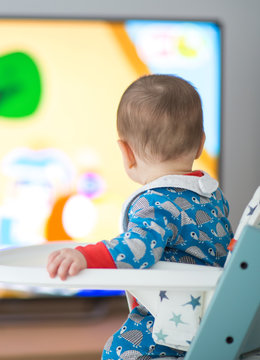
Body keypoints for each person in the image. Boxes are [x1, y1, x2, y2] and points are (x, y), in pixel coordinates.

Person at [46, 74, 233, 359]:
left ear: (126, 153)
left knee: (118, 350)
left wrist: (85, 256)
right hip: (217, 315)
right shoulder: (212, 195)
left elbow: (136, 250)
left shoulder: (155, 203)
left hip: (174, 321)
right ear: (200, 144)